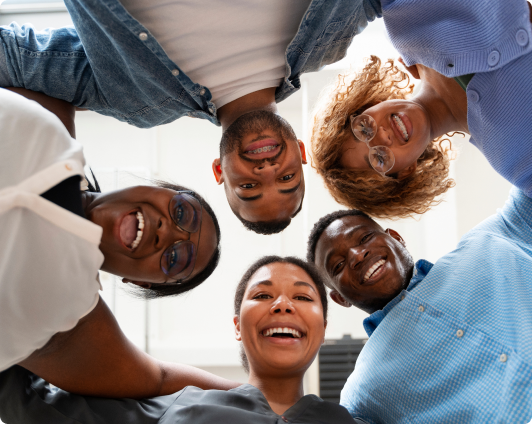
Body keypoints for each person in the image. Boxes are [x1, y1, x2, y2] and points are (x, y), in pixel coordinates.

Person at [0, 0, 382, 233]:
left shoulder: (136, 99)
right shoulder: (329, 41)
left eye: (248, 187)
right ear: (300, 151)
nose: (266, 170)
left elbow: (16, 59)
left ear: (219, 171)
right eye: (286, 178)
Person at [0, 87, 235, 397]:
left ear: (141, 281)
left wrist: (269, 401)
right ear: (154, 187)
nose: (169, 232)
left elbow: (158, 378)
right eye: (181, 211)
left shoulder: (64, 311)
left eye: (177, 259)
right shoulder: (47, 128)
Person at [0, 256, 368, 424]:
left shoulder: (349, 420)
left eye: (303, 298)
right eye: (262, 295)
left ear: (321, 328)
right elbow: (28, 401)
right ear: (238, 326)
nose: (283, 305)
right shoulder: (181, 407)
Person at [306, 188, 532, 422]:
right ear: (340, 298)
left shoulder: (489, 239)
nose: (357, 255)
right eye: (339, 264)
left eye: (364, 238)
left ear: (396, 237)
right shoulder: (362, 395)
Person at [310, 0, 532, 218]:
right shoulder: (514, 157)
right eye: (379, 159)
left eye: (364, 130)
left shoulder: (404, 19)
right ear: (406, 171)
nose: (383, 137)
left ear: (367, 107)